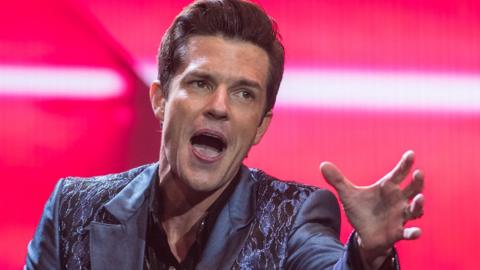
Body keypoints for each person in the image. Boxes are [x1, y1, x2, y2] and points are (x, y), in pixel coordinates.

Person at [25, 0, 425, 269]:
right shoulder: (73, 208)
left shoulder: (294, 216)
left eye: (244, 93)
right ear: (161, 100)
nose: (219, 106)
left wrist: (365, 255)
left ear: (261, 126)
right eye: (200, 83)